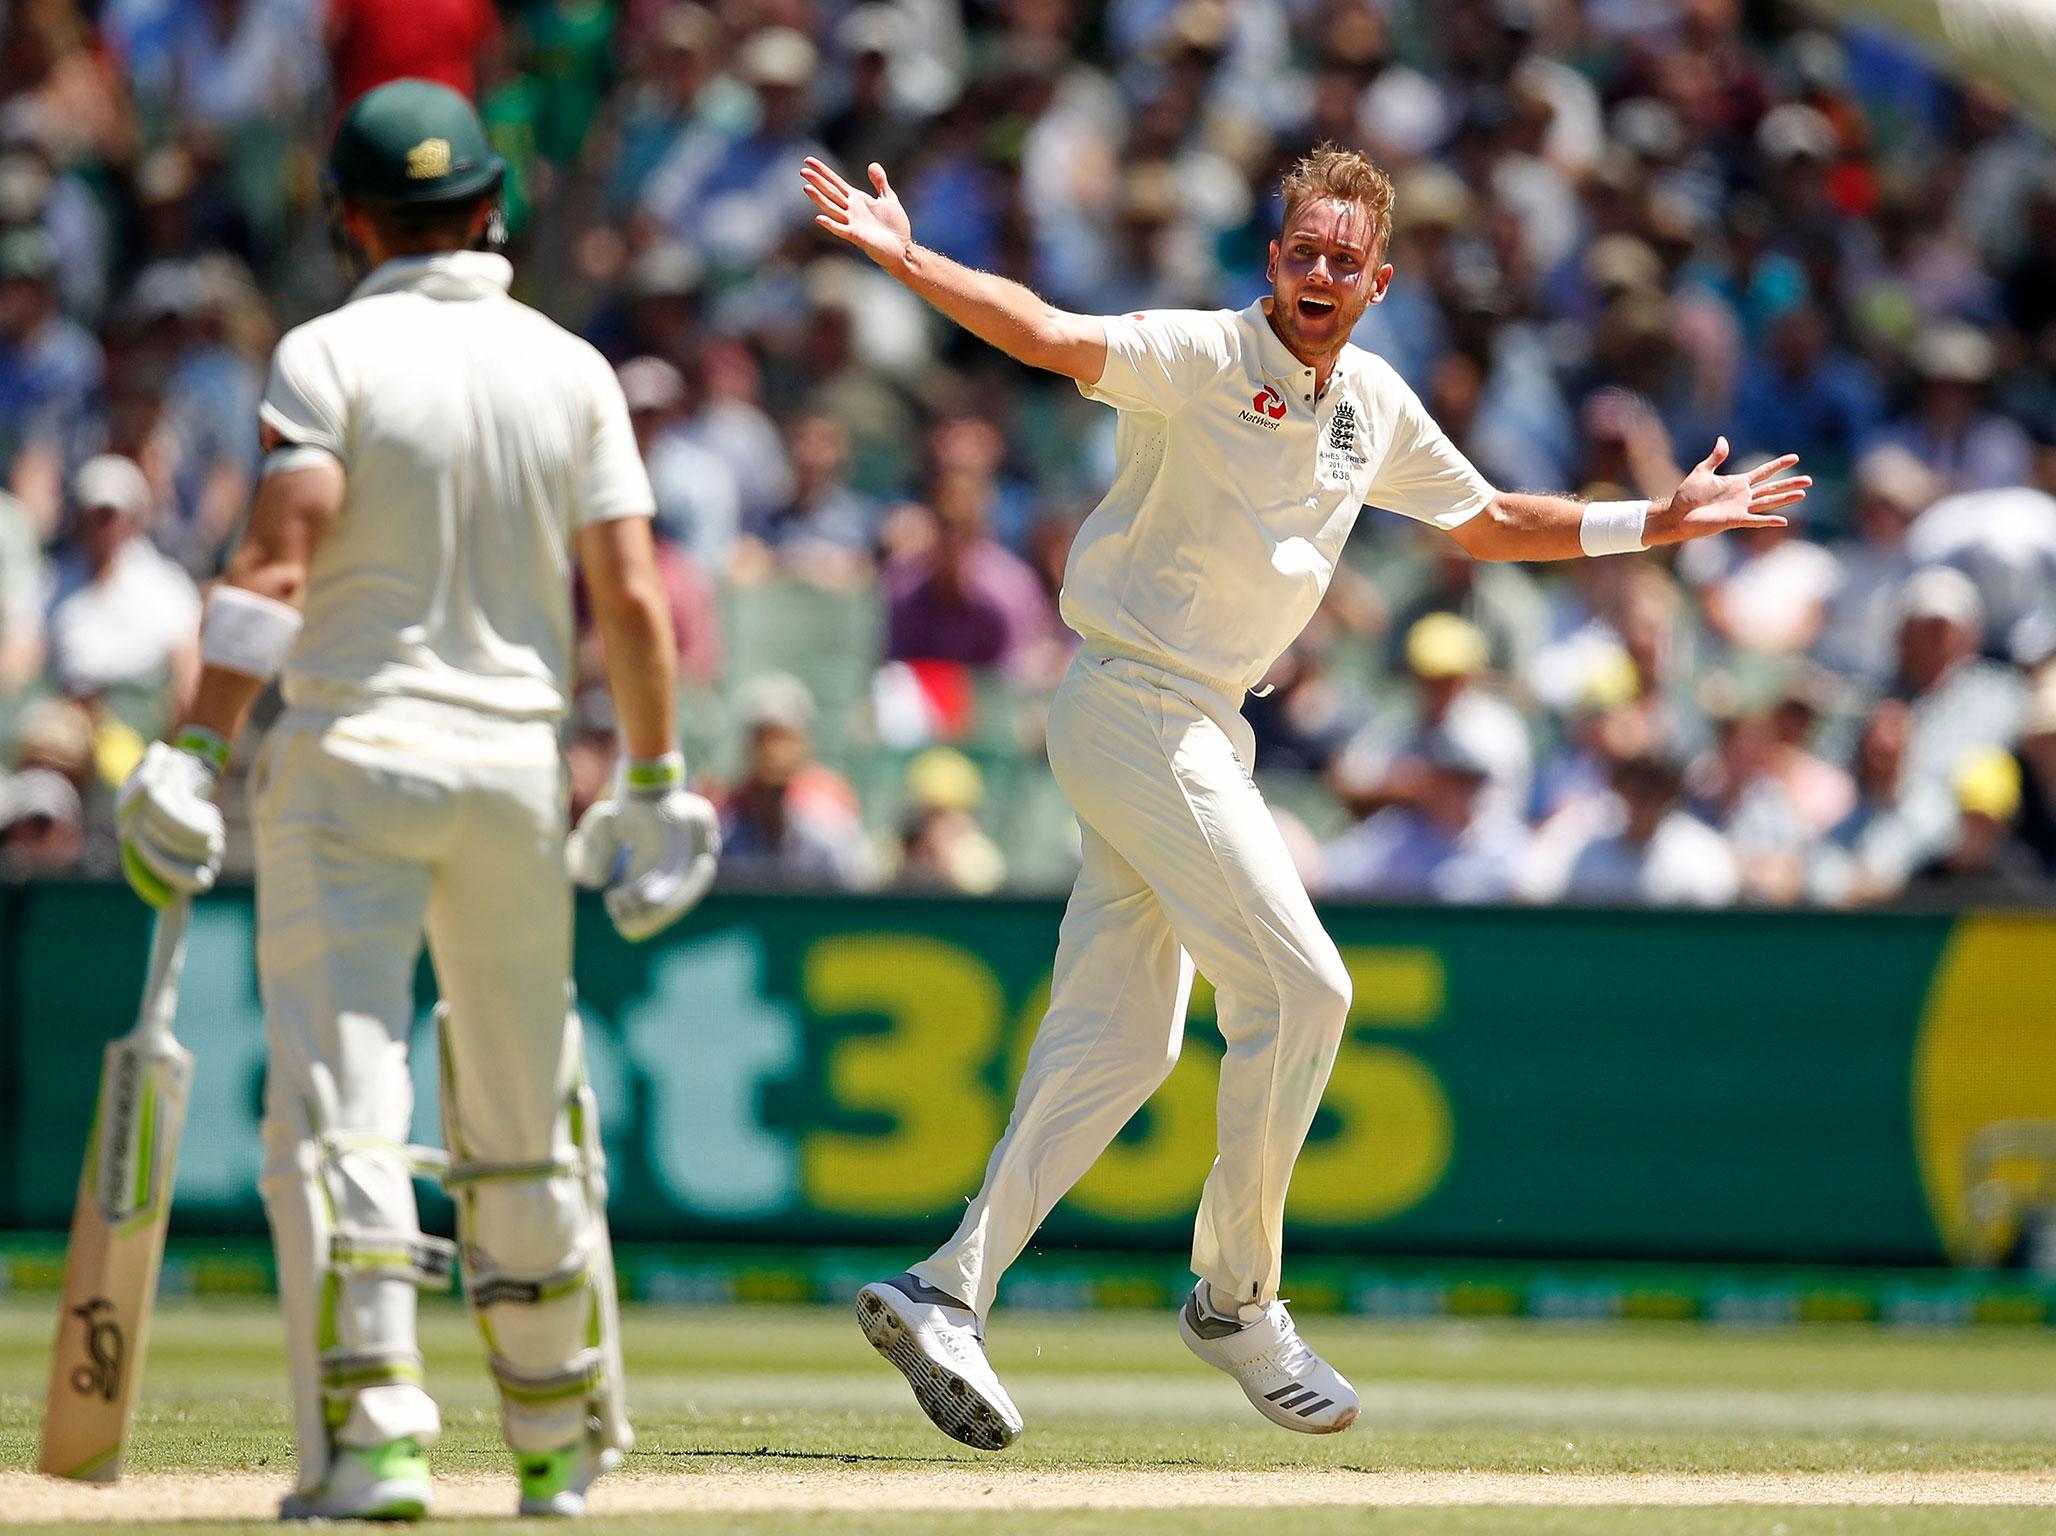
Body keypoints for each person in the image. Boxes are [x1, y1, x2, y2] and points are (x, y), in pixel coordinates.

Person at [801, 141, 1809, 1446]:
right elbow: (1046, 333)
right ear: (1271, 260)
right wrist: (906, 254)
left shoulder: (1372, 404)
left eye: (1345, 259)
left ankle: (946, 1290)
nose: (1319, 274)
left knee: (1126, 1041)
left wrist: (1650, 525)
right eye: (1301, 252)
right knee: (1303, 989)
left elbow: (1489, 518)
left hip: (1198, 722)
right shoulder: (1203, 354)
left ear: (1378, 281)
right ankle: (1234, 1301)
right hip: (1136, 701)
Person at [111, 82, 720, 1521]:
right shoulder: (571, 365)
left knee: (345, 1098)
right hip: (515, 769)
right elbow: (630, 596)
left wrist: (194, 750)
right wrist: (651, 776)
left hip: (351, 760)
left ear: (352, 221)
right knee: (524, 1099)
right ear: (495, 206)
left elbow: (274, 572)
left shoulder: (327, 353)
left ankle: (375, 1441)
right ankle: (559, 1442)